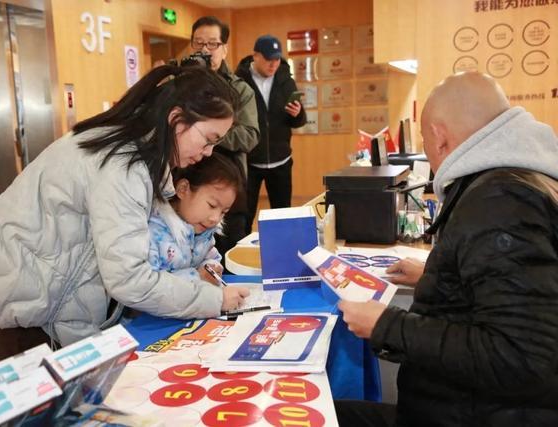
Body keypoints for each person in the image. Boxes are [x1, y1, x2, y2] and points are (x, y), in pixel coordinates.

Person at [0, 65, 251, 363]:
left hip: (41, 296)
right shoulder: (123, 165)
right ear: (176, 119)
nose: (209, 152)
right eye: (209, 139)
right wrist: (214, 300)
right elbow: (129, 279)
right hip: (21, 299)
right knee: (37, 405)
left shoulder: (134, 152)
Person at [335, 72, 558, 426]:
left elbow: (522, 358)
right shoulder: (524, 182)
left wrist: (386, 325)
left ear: (439, 137)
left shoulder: (501, 201)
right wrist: (442, 275)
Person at [190, 15, 260, 257]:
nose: (205, 51)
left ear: (224, 49)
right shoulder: (178, 85)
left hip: (228, 188)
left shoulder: (240, 90)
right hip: (188, 188)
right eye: (198, 44)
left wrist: (208, 133)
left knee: (231, 256)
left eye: (212, 44)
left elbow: (249, 136)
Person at [235, 35, 307, 233]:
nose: (273, 64)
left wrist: (297, 113)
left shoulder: (285, 80)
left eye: (276, 59)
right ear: (255, 56)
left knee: (282, 217)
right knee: (244, 217)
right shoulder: (240, 81)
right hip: (250, 161)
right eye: (268, 59)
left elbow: (300, 120)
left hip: (281, 161)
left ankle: (282, 258)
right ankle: (240, 259)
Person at [147, 152, 242, 283]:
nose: (215, 218)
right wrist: (196, 277)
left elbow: (210, 257)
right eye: (212, 205)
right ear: (183, 189)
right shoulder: (152, 232)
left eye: (223, 212)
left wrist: (211, 268)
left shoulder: (204, 232)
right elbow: (147, 284)